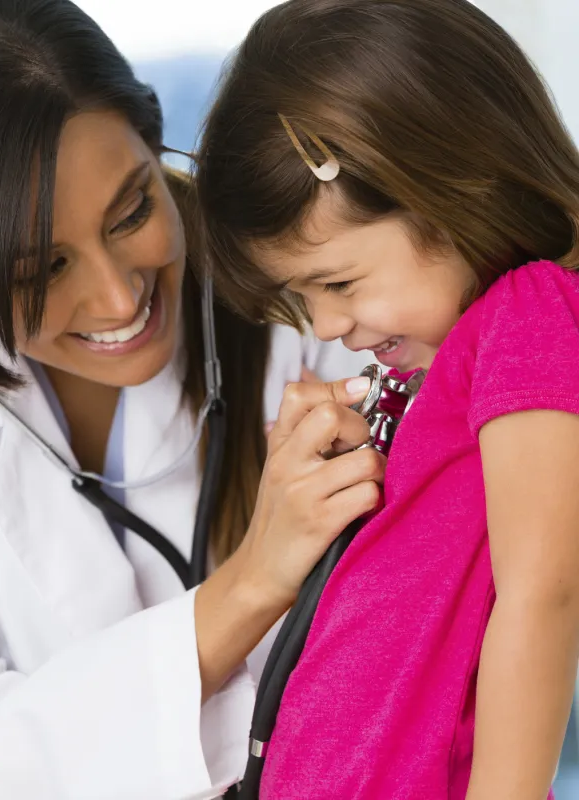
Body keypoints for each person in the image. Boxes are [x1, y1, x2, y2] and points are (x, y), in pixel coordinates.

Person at [0, 1, 380, 798]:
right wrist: (252, 585)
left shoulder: (290, 279)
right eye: (41, 272)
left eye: (133, 208)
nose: (118, 296)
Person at [195, 1, 579, 798]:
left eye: (338, 283)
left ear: (450, 188)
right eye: (303, 300)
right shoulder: (433, 372)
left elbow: (545, 591)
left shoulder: (529, 314)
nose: (329, 326)